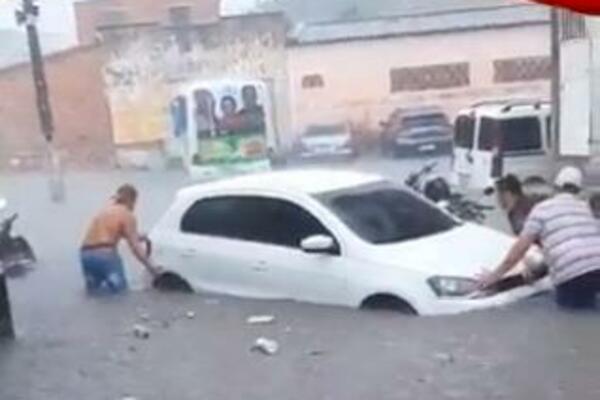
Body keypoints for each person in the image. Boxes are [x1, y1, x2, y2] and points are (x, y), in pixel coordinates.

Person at [478, 166, 600, 310]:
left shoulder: (539, 210)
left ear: (555, 187)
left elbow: (520, 249)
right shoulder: (586, 208)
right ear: (579, 190)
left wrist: (494, 277)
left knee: (571, 322)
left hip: (571, 275)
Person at [80, 185, 161, 294]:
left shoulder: (104, 211)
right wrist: (152, 268)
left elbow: (110, 233)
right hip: (105, 256)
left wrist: (139, 236)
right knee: (120, 294)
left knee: (94, 292)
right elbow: (135, 247)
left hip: (86, 255)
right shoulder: (127, 214)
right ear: (131, 200)